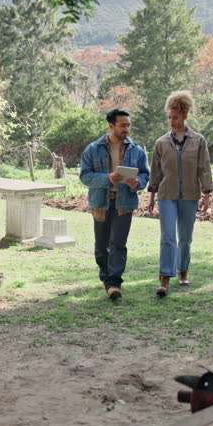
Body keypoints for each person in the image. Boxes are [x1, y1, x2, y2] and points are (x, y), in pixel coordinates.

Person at [146, 90, 213, 297]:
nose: (171, 121)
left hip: (190, 195)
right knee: (167, 237)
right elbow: (155, 172)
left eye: (175, 117)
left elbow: (204, 168)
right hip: (167, 195)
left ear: (184, 115)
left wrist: (207, 194)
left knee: (185, 237)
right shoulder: (161, 143)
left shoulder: (199, 141)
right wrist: (151, 196)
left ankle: (182, 271)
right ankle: (164, 278)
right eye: (169, 117)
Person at [79, 109, 149, 301]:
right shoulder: (93, 149)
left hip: (124, 203)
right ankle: (106, 277)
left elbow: (145, 174)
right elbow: (85, 176)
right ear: (111, 126)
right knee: (101, 246)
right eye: (122, 125)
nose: (126, 129)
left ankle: (114, 283)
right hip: (100, 202)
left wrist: (139, 183)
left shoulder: (137, 150)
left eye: (128, 125)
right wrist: (107, 178)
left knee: (118, 244)